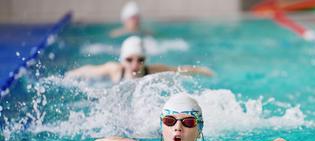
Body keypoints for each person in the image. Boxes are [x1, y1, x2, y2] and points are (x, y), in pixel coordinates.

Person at [90, 93, 291, 141]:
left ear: (199, 129)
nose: (178, 128)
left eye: (187, 122)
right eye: (170, 121)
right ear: (162, 127)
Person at [66, 36, 213, 83]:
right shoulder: (115, 69)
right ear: (122, 60)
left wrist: (201, 70)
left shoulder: (152, 70)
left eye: (140, 59)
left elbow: (178, 70)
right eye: (129, 60)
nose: (135, 64)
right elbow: (90, 70)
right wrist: (70, 75)